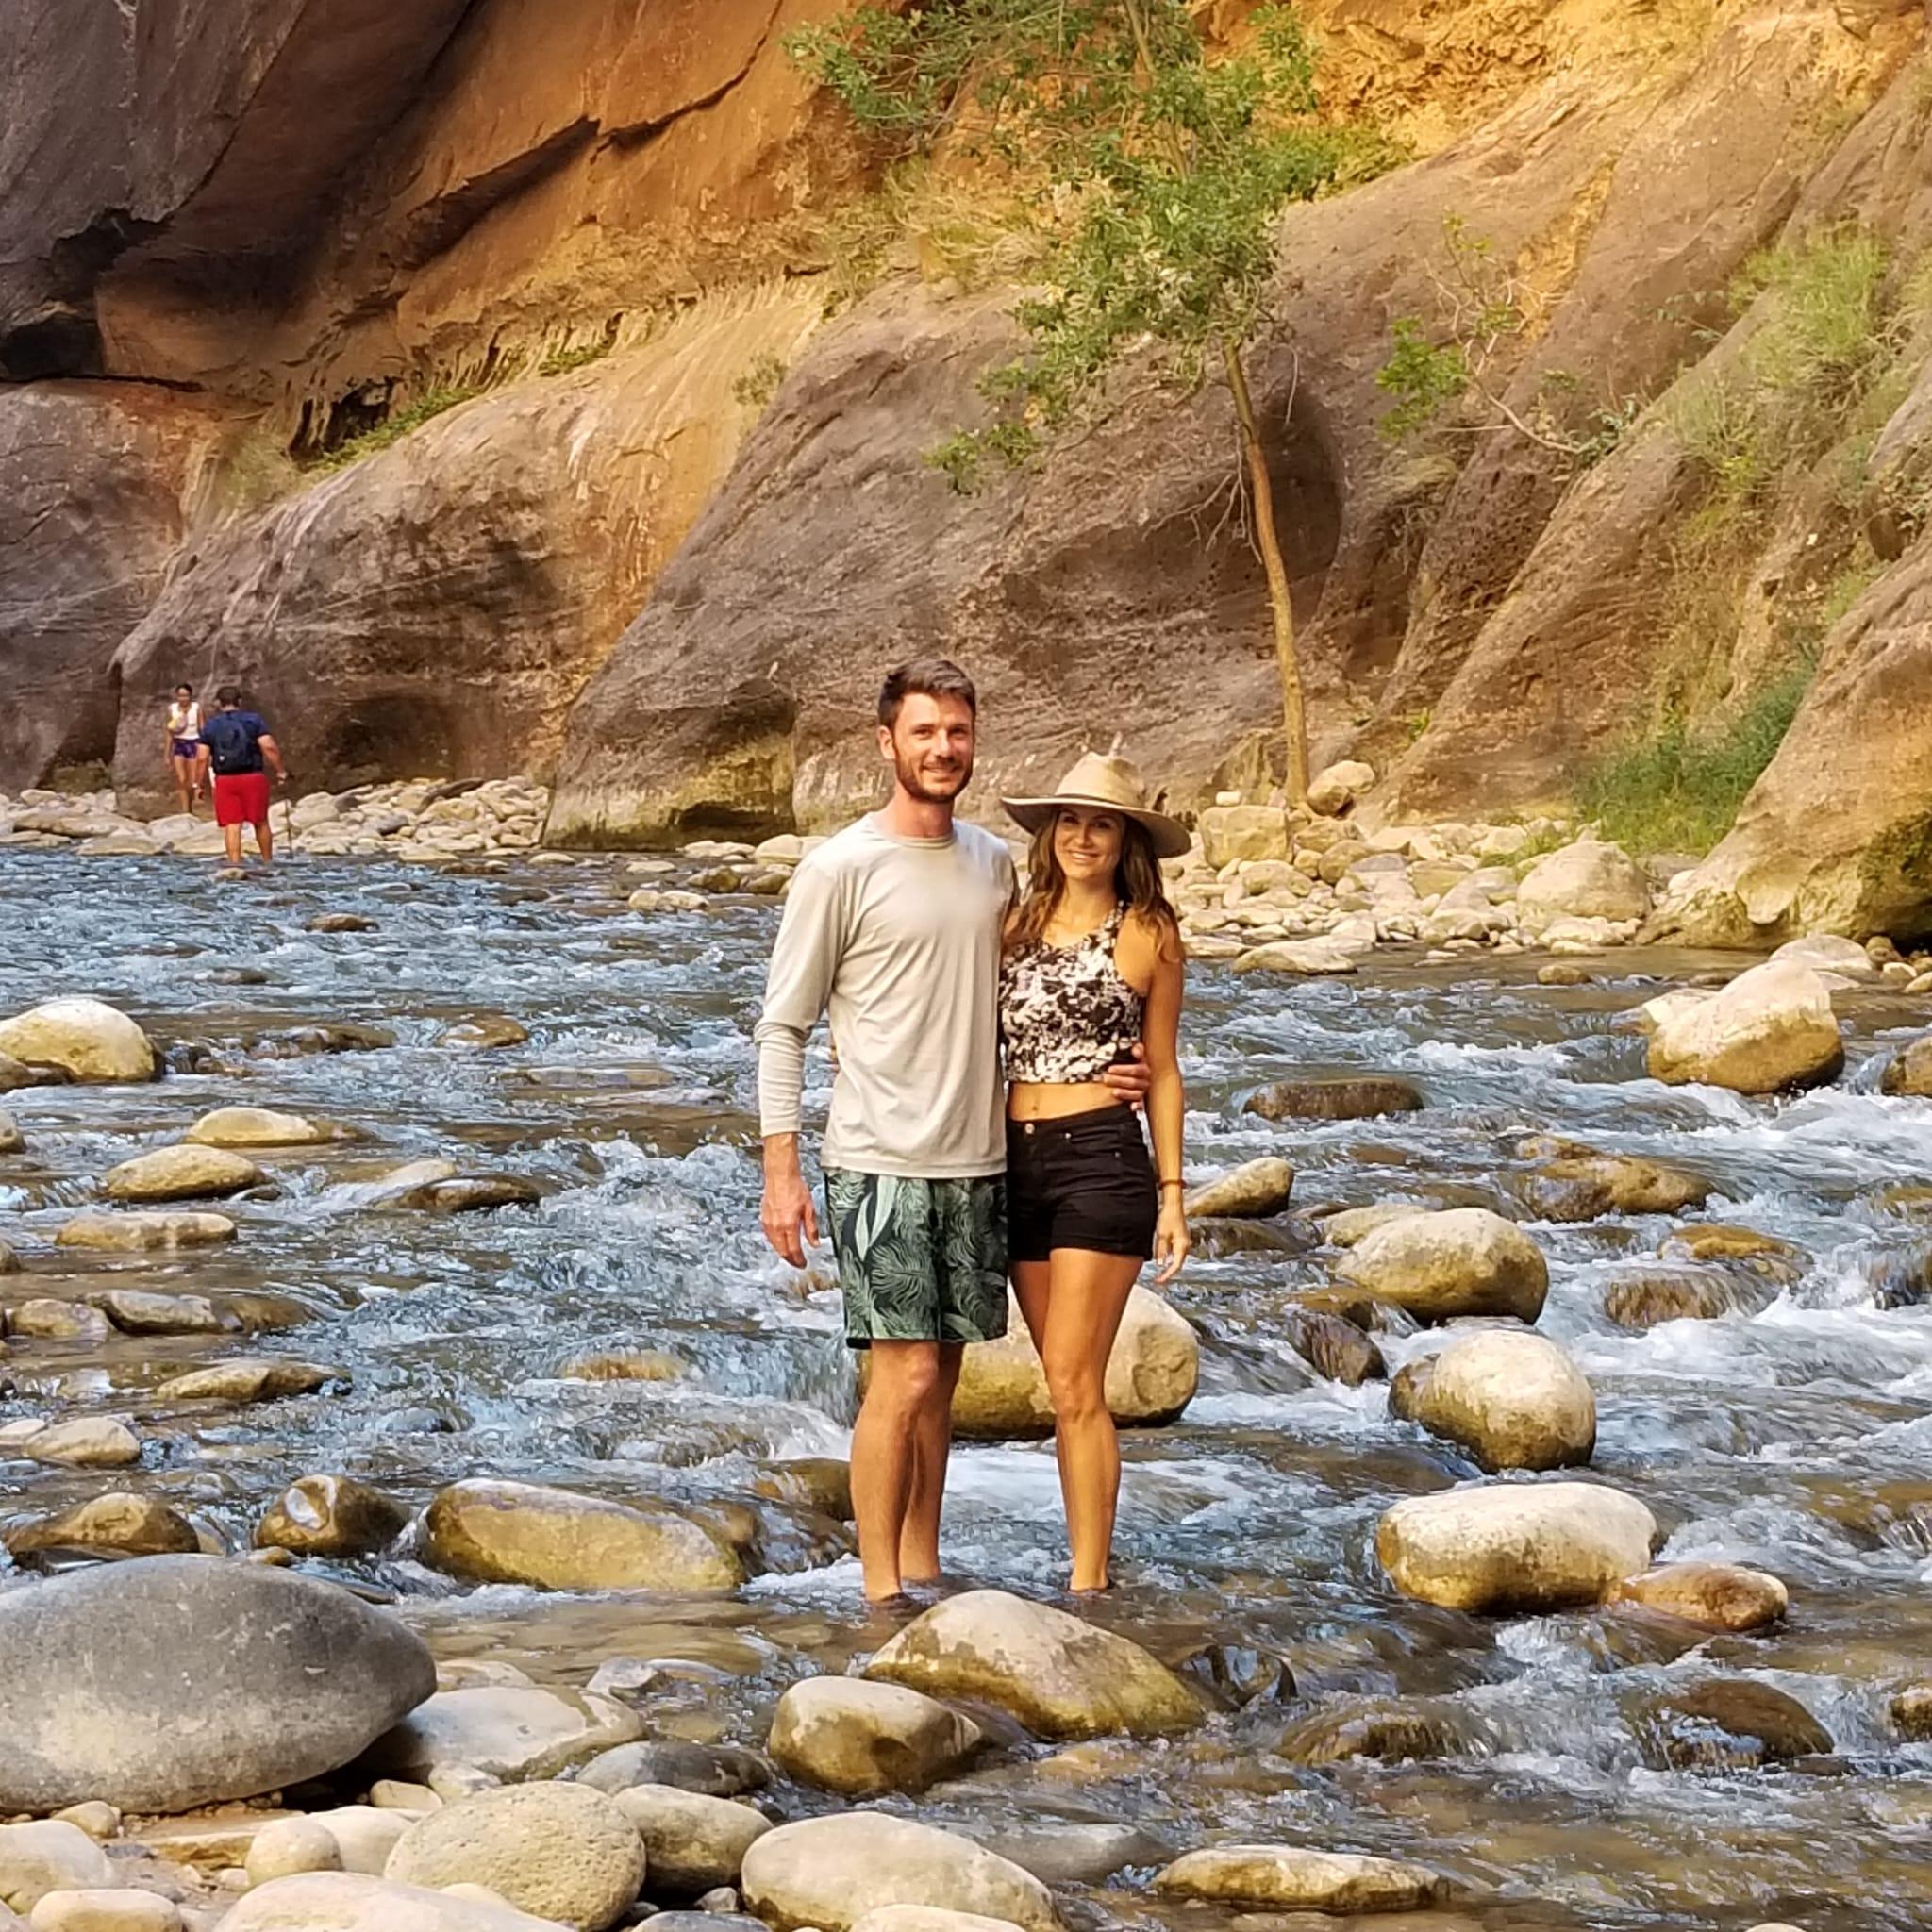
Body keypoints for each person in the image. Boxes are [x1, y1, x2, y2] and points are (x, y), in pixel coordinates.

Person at [755, 659, 1146, 1604]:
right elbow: (783, 1023)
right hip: (879, 1157)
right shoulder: (838, 868)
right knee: (904, 1371)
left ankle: (923, 1566)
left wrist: (1106, 1066)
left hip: (983, 1161)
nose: (942, 747)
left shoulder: (991, 864)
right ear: (885, 741)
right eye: (924, 731)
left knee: (944, 1380)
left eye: (957, 732)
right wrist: (781, 1166)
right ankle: (877, 1592)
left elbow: (1045, 993)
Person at [998, 752, 1191, 1592]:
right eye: (1069, 821)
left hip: (1101, 1161)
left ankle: (1088, 1579)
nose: (1082, 837)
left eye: (1101, 823)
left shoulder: (1148, 931)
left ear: (1126, 840)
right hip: (1013, 1162)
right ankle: (1088, 1566)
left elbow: (1167, 1068)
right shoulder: (1013, 920)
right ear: (1050, 834)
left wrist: (1174, 1197)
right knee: (1057, 1382)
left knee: (1078, 1382)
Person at [200, 686, 289, 866]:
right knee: (261, 821)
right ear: (239, 702)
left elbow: (202, 758)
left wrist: (197, 783)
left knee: (232, 824)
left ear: (219, 703)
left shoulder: (211, 725)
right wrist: (280, 771)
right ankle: (267, 862)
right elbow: (268, 747)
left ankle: (235, 865)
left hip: (225, 780)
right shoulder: (254, 720)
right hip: (253, 777)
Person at [163, 683, 207, 814]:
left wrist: (205, 745)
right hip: (179, 743)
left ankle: (193, 805)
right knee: (181, 778)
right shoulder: (172, 709)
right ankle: (185, 809)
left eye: (186, 695)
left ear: (190, 696)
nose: (183, 698)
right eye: (180, 695)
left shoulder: (196, 708)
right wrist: (166, 753)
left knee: (193, 779)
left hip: (194, 743)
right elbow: (169, 731)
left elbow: (202, 727)